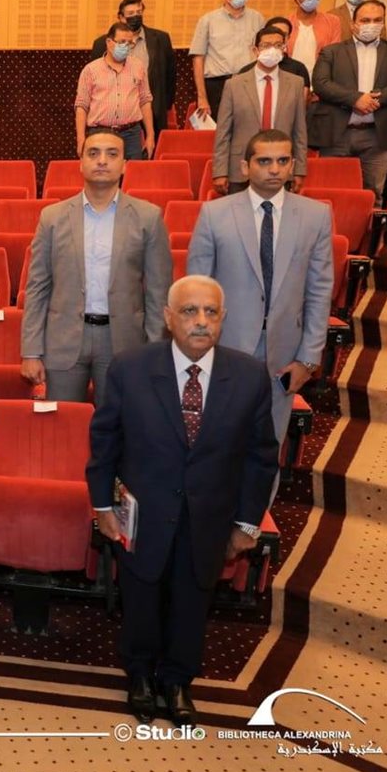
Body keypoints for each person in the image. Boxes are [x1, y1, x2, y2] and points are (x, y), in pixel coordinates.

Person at [86, 275, 279, 727]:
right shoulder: (130, 368)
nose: (201, 321)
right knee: (140, 597)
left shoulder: (249, 376)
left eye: (211, 312)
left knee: (193, 602)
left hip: (210, 518)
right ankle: (139, 675)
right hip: (143, 514)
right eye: (190, 311)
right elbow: (105, 441)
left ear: (223, 319)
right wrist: (103, 506)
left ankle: (177, 681)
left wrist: (247, 524)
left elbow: (261, 457)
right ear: (168, 317)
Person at [187, 129, 333, 454]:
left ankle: (262, 493)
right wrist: (198, 352)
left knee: (268, 448)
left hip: (284, 353)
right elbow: (197, 291)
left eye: (282, 161)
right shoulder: (214, 214)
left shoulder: (316, 216)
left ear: (293, 165)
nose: (274, 169)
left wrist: (308, 359)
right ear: (245, 166)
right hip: (225, 348)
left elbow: (319, 291)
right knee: (218, 446)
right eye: (264, 161)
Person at [21, 128, 172, 405]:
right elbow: (37, 288)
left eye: (112, 154)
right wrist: (31, 351)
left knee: (119, 425)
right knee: (63, 424)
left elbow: (157, 293)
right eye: (93, 153)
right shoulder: (52, 218)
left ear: (124, 165)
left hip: (124, 343)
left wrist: (155, 352)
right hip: (64, 340)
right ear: (81, 163)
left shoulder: (148, 218)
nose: (102, 160)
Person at [311, 0, 387, 206]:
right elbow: (320, 83)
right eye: (365, 20)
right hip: (338, 134)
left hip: (377, 136)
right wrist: (355, 99)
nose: (372, 25)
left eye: (377, 20)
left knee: (373, 196)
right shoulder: (332, 51)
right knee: (331, 193)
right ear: (353, 24)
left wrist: (376, 99)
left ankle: (368, 229)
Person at [213, 27, 309, 195]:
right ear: (255, 50)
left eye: (278, 45)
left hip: (281, 167)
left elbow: (299, 131)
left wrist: (299, 170)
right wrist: (220, 172)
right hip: (241, 168)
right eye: (266, 45)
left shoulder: (296, 83)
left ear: (284, 48)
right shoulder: (234, 84)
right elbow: (223, 132)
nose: (272, 50)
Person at [90, 0, 176, 140]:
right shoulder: (101, 44)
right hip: (115, 116)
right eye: (130, 14)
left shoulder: (161, 39)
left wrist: (165, 105)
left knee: (151, 149)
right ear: (120, 17)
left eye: (139, 12)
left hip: (153, 110)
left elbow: (170, 75)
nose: (136, 16)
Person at [75, 22, 156, 160]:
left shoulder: (138, 66)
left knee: (133, 173)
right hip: (100, 133)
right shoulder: (90, 70)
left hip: (131, 134)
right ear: (109, 42)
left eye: (129, 43)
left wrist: (150, 136)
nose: (126, 47)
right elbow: (81, 106)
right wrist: (81, 138)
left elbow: (145, 101)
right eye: (122, 42)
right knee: (101, 171)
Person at [189, 0, 266, 120]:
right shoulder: (208, 20)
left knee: (248, 126)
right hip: (217, 85)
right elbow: (198, 59)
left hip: (249, 83)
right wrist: (202, 97)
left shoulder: (257, 19)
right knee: (219, 129)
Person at [285, 0, 342, 81]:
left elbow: (334, 55)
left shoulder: (332, 21)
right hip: (291, 82)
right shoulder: (286, 23)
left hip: (321, 82)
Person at [237, 16, 313, 91]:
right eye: (273, 31)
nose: (277, 37)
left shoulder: (298, 69)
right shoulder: (246, 71)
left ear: (288, 37)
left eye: (284, 34)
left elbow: (302, 97)